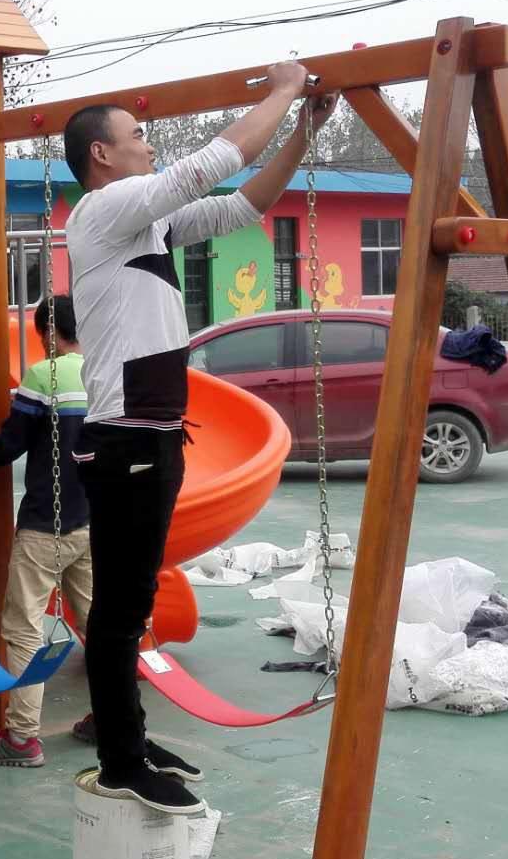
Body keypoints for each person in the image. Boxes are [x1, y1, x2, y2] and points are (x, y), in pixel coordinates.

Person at [65, 63, 336, 813]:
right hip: (125, 439)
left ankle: (128, 737)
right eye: (138, 135)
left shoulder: (143, 225)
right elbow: (212, 164)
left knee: (130, 603)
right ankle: (121, 761)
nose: (149, 144)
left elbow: (245, 203)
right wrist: (282, 89)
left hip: (148, 436)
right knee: (121, 609)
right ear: (102, 155)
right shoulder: (104, 210)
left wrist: (302, 132)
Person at [0, 296, 91, 767]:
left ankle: (21, 738)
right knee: (98, 625)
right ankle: (112, 717)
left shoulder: (43, 375)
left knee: (22, 629)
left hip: (44, 525)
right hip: (90, 522)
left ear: (50, 333)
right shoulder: (100, 372)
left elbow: (12, 442)